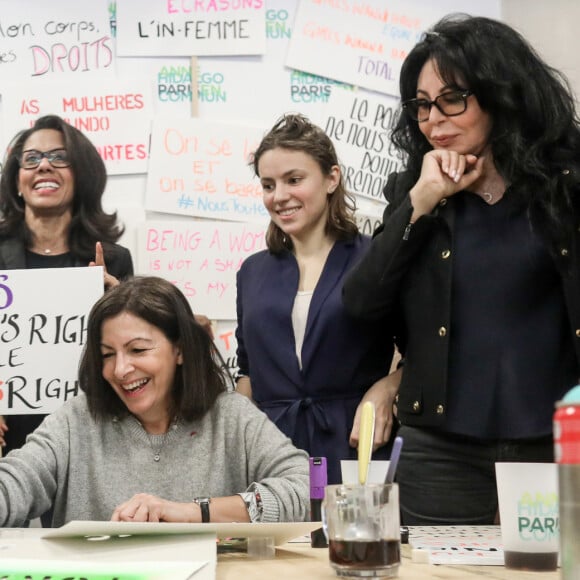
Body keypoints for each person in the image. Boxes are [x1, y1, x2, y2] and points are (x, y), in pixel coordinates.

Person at [343, 14, 580, 524]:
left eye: (453, 98)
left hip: (555, 445)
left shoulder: (565, 186)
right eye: (423, 105)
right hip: (441, 451)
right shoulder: (416, 193)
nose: (434, 120)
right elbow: (361, 303)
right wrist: (422, 200)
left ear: (501, 94)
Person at [0, 276, 309, 527]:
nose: (120, 370)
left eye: (138, 350)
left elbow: (306, 489)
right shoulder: (76, 420)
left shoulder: (231, 417)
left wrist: (191, 512)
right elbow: (15, 483)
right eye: (107, 355)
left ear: (180, 350)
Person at [235, 113, 399, 485]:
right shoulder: (252, 272)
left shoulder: (375, 258)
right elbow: (247, 374)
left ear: (331, 178)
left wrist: (388, 387)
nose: (279, 196)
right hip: (274, 455)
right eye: (268, 184)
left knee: (355, 543)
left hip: (357, 444)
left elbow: (420, 351)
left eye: (294, 180)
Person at [0, 114, 134, 455]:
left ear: (81, 176)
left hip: (90, 440)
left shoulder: (114, 260)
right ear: (17, 180)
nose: (44, 166)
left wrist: (120, 305)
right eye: (31, 159)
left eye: (60, 157)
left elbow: (134, 358)